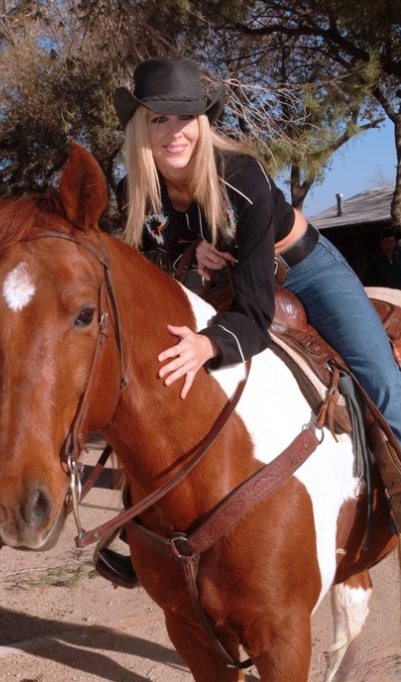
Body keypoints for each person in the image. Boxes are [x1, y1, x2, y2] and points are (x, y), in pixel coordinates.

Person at [95, 56, 401, 587]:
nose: (173, 132)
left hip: (302, 271)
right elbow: (151, 277)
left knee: (380, 378)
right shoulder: (134, 194)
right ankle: (144, 527)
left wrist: (207, 346)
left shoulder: (241, 177)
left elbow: (256, 315)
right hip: (220, 280)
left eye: (184, 117)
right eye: (159, 119)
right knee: (147, 385)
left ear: (202, 122)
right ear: (139, 125)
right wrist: (190, 258)